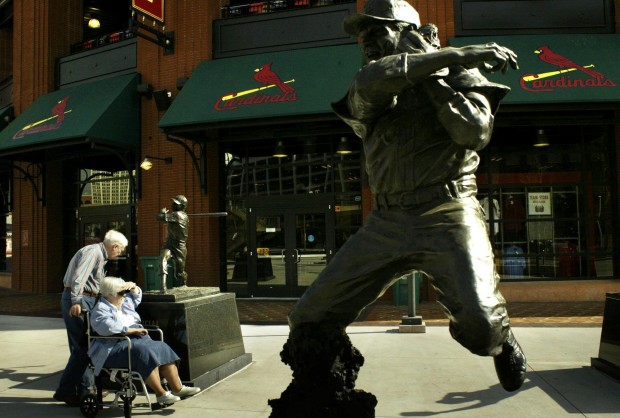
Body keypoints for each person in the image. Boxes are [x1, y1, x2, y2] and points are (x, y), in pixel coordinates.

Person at [279, 0, 526, 409]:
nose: (368, 44)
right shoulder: (371, 80)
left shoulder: (462, 75)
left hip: (449, 213)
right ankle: (324, 392)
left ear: (409, 32)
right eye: (364, 37)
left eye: (379, 32)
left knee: (482, 329)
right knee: (309, 315)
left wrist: (434, 70)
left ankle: (502, 342)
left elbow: (473, 133)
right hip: (387, 221)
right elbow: (375, 82)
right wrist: (453, 53)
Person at [89, 276, 201, 404]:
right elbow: (107, 328)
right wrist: (133, 330)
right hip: (112, 347)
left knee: (161, 346)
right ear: (109, 294)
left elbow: (136, 297)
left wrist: (133, 286)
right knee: (144, 351)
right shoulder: (100, 309)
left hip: (135, 341)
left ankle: (178, 388)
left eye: (124, 292)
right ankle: (161, 394)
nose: (124, 296)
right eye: (121, 293)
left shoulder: (122, 301)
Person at [54, 229, 128, 406]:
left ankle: (82, 390)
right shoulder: (93, 252)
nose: (120, 253)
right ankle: (69, 390)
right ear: (115, 246)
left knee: (83, 346)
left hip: (86, 298)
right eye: (121, 250)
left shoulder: (99, 255)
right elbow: (79, 278)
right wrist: (77, 301)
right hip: (81, 299)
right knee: (84, 346)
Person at [157, 195, 189, 292]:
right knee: (163, 259)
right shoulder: (176, 215)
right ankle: (163, 287)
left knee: (179, 273)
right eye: (173, 202)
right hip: (169, 244)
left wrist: (162, 212)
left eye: (176, 204)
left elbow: (159, 217)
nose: (173, 205)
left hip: (180, 246)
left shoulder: (178, 215)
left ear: (183, 206)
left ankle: (184, 284)